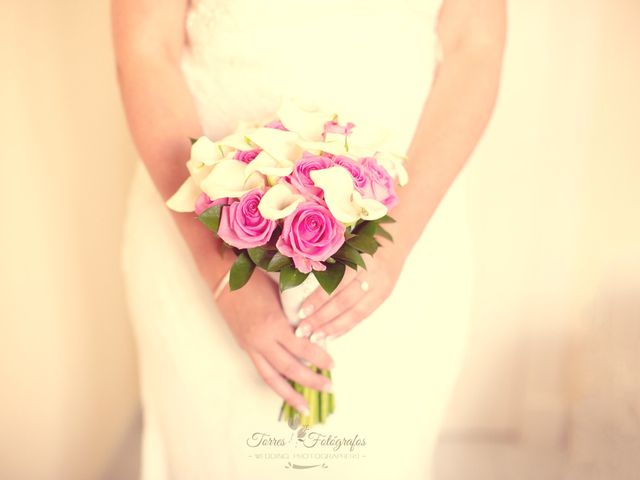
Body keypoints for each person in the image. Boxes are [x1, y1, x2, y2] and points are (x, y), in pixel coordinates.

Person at [113, 0, 506, 478]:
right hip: (197, 228)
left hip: (404, 233)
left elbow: (476, 47)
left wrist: (394, 241)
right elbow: (145, 49)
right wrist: (222, 273)